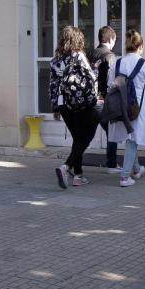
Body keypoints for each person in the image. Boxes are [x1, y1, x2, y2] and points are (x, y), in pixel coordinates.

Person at [107, 29, 145, 188]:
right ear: (141, 46)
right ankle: (124, 177)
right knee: (133, 141)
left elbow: (110, 85)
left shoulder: (116, 63)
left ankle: (136, 169)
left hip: (120, 108)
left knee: (132, 138)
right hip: (136, 109)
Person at [48, 26, 98, 189]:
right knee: (86, 137)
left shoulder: (55, 59)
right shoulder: (79, 56)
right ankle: (66, 167)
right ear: (78, 39)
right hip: (81, 103)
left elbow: (52, 85)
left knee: (77, 138)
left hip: (64, 105)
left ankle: (78, 175)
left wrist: (55, 107)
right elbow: (91, 77)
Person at [89, 25, 119, 172]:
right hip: (102, 100)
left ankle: (73, 166)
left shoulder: (90, 53)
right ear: (111, 38)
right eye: (115, 40)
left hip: (88, 99)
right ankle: (111, 163)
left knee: (85, 135)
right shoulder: (109, 55)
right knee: (111, 131)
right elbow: (110, 80)